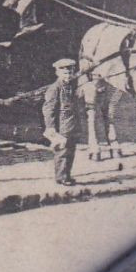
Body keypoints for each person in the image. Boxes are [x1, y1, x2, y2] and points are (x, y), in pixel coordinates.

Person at [41, 58, 86, 186]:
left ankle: (67, 175)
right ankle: (61, 177)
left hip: (72, 125)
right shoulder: (55, 88)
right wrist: (50, 128)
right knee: (62, 152)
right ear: (57, 73)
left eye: (70, 73)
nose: (68, 76)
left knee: (71, 151)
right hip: (62, 127)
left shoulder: (71, 87)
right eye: (65, 73)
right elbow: (48, 109)